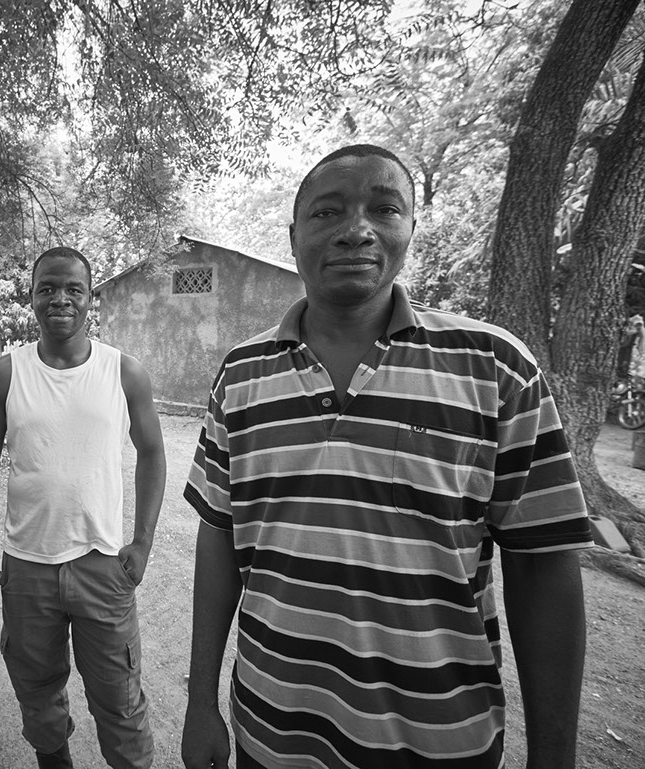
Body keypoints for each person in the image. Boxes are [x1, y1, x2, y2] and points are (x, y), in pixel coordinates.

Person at [181, 145, 594, 769]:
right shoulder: (241, 374)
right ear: (294, 237)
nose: (355, 230)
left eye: (384, 208)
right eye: (327, 212)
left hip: (440, 742)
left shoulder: (495, 368)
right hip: (270, 732)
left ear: (411, 229)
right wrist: (200, 703)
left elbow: (543, 565)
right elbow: (219, 538)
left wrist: (554, 758)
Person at [0, 246, 166, 769]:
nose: (60, 299)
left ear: (90, 297)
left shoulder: (124, 372)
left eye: (73, 289)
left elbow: (152, 453)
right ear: (31, 297)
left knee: (119, 698)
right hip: (27, 567)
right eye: (47, 288)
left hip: (102, 564)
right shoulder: (5, 375)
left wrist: (142, 542)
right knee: (38, 694)